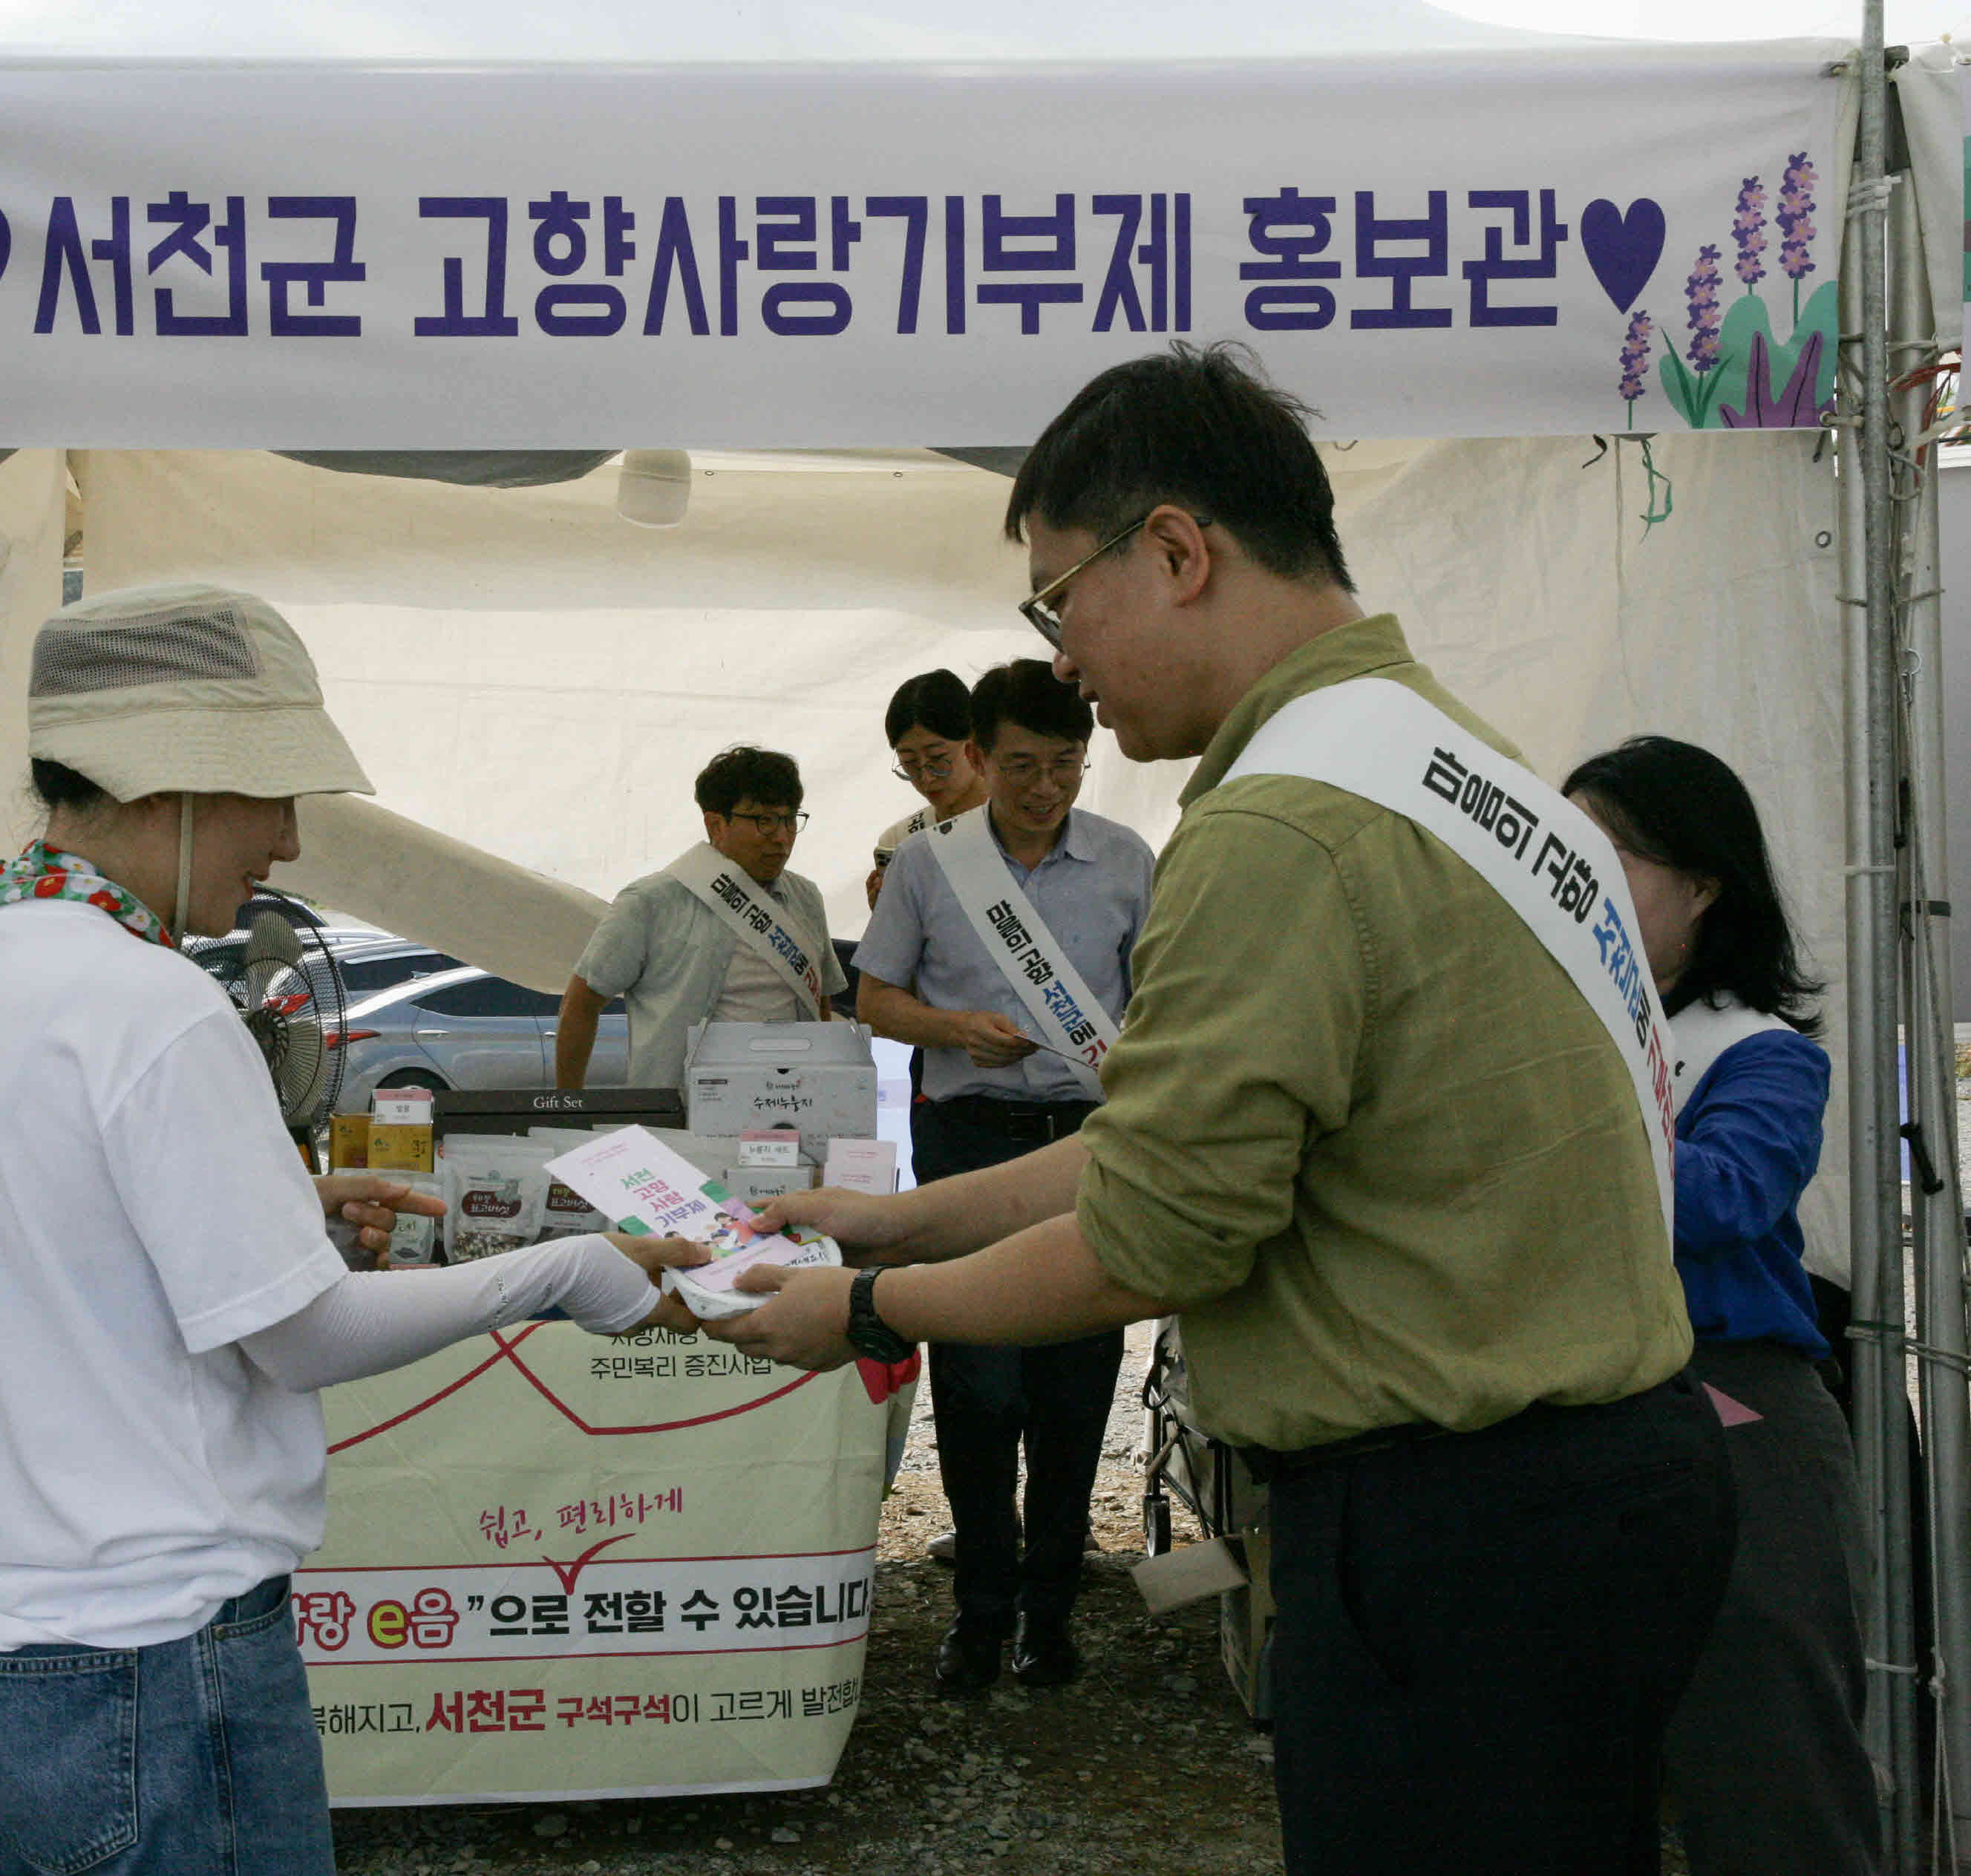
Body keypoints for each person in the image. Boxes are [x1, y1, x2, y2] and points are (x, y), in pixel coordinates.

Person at [706, 344, 1736, 1872]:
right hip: (1586, 1489)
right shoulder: (1446, 758)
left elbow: (1159, 1230)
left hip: (1450, 1527)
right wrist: (893, 1213)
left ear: (1177, 549)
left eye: (1060, 600)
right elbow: (1176, 1146)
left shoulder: (1281, 825)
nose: (1059, 660)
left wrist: (866, 1303)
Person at [0, 583, 705, 1876]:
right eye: (271, 787)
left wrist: (281, 1202)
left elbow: (46, 1219)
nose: (285, 838)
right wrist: (567, 1270)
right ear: (174, 777)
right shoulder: (153, 1003)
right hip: (143, 1670)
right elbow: (299, 1335)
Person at [1566, 736, 1877, 1876]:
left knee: (1763, 1753)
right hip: (1569, 1399)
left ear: (1702, 884)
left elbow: (1727, 1194)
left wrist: (1556, 1114)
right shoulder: (1538, 1028)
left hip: (1733, 1406)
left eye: (1610, 855)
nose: (1578, 881)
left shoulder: (1761, 1054)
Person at [854, 658, 1151, 1692]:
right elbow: (873, 996)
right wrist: (949, 1027)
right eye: (1021, 764)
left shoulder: (1124, 860)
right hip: (968, 1133)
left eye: (1065, 763)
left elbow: (1156, 1002)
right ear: (978, 756)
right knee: (977, 1381)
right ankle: (977, 1611)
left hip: (1084, 1140)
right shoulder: (931, 863)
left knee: (1076, 1376)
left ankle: (1050, 1612)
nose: (1043, 787)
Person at [556, 744, 849, 1090]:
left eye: (789, 820)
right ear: (716, 824)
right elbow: (581, 1002)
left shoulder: (806, 898)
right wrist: (568, 1105)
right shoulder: (651, 902)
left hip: (789, 1103)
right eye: (764, 822)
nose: (782, 838)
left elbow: (820, 1000)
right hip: (682, 1115)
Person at [868, 668, 990, 909]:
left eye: (938, 758)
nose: (926, 778)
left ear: (973, 742)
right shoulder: (899, 841)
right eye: (910, 763)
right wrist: (885, 918)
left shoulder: (1019, 827)